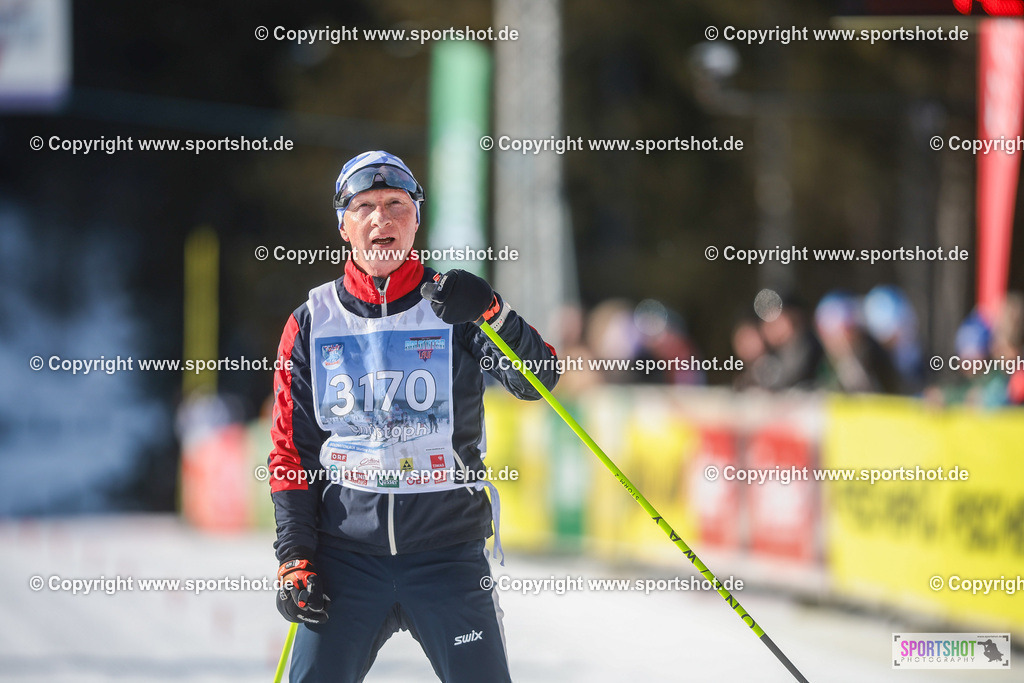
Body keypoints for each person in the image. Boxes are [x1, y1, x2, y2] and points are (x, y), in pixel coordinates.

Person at [268, 150, 559, 682]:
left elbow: (538, 380)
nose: (382, 219)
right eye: (366, 207)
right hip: (345, 561)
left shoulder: (455, 308)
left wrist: (495, 313)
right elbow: (292, 452)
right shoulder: (312, 321)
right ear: (343, 225)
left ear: (416, 219)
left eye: (397, 205)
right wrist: (295, 556)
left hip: (447, 556)